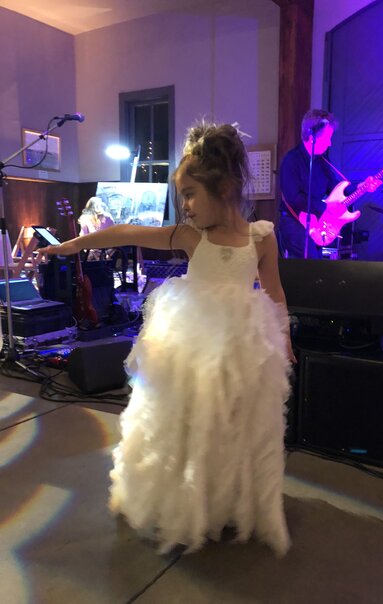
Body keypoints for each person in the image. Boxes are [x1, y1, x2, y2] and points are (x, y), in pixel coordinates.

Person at [42, 121, 295, 556]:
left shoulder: (262, 238)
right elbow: (125, 232)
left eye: (191, 194)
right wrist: (73, 245)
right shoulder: (192, 236)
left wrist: (284, 337)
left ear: (225, 187)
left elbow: (275, 292)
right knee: (188, 416)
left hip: (242, 344)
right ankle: (185, 496)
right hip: (192, 341)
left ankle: (225, 495)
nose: (185, 206)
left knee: (234, 420)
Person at [278, 108, 382, 258]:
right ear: (312, 137)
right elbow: (293, 198)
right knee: (310, 265)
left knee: (317, 265)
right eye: (327, 138)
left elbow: (334, 187)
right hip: (294, 223)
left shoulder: (322, 160)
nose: (330, 143)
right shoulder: (291, 160)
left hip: (317, 222)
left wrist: (361, 187)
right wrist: (326, 207)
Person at [78, 196, 115, 261]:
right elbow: (114, 236)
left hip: (94, 252)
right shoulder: (108, 217)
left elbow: (83, 238)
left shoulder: (84, 218)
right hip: (106, 251)